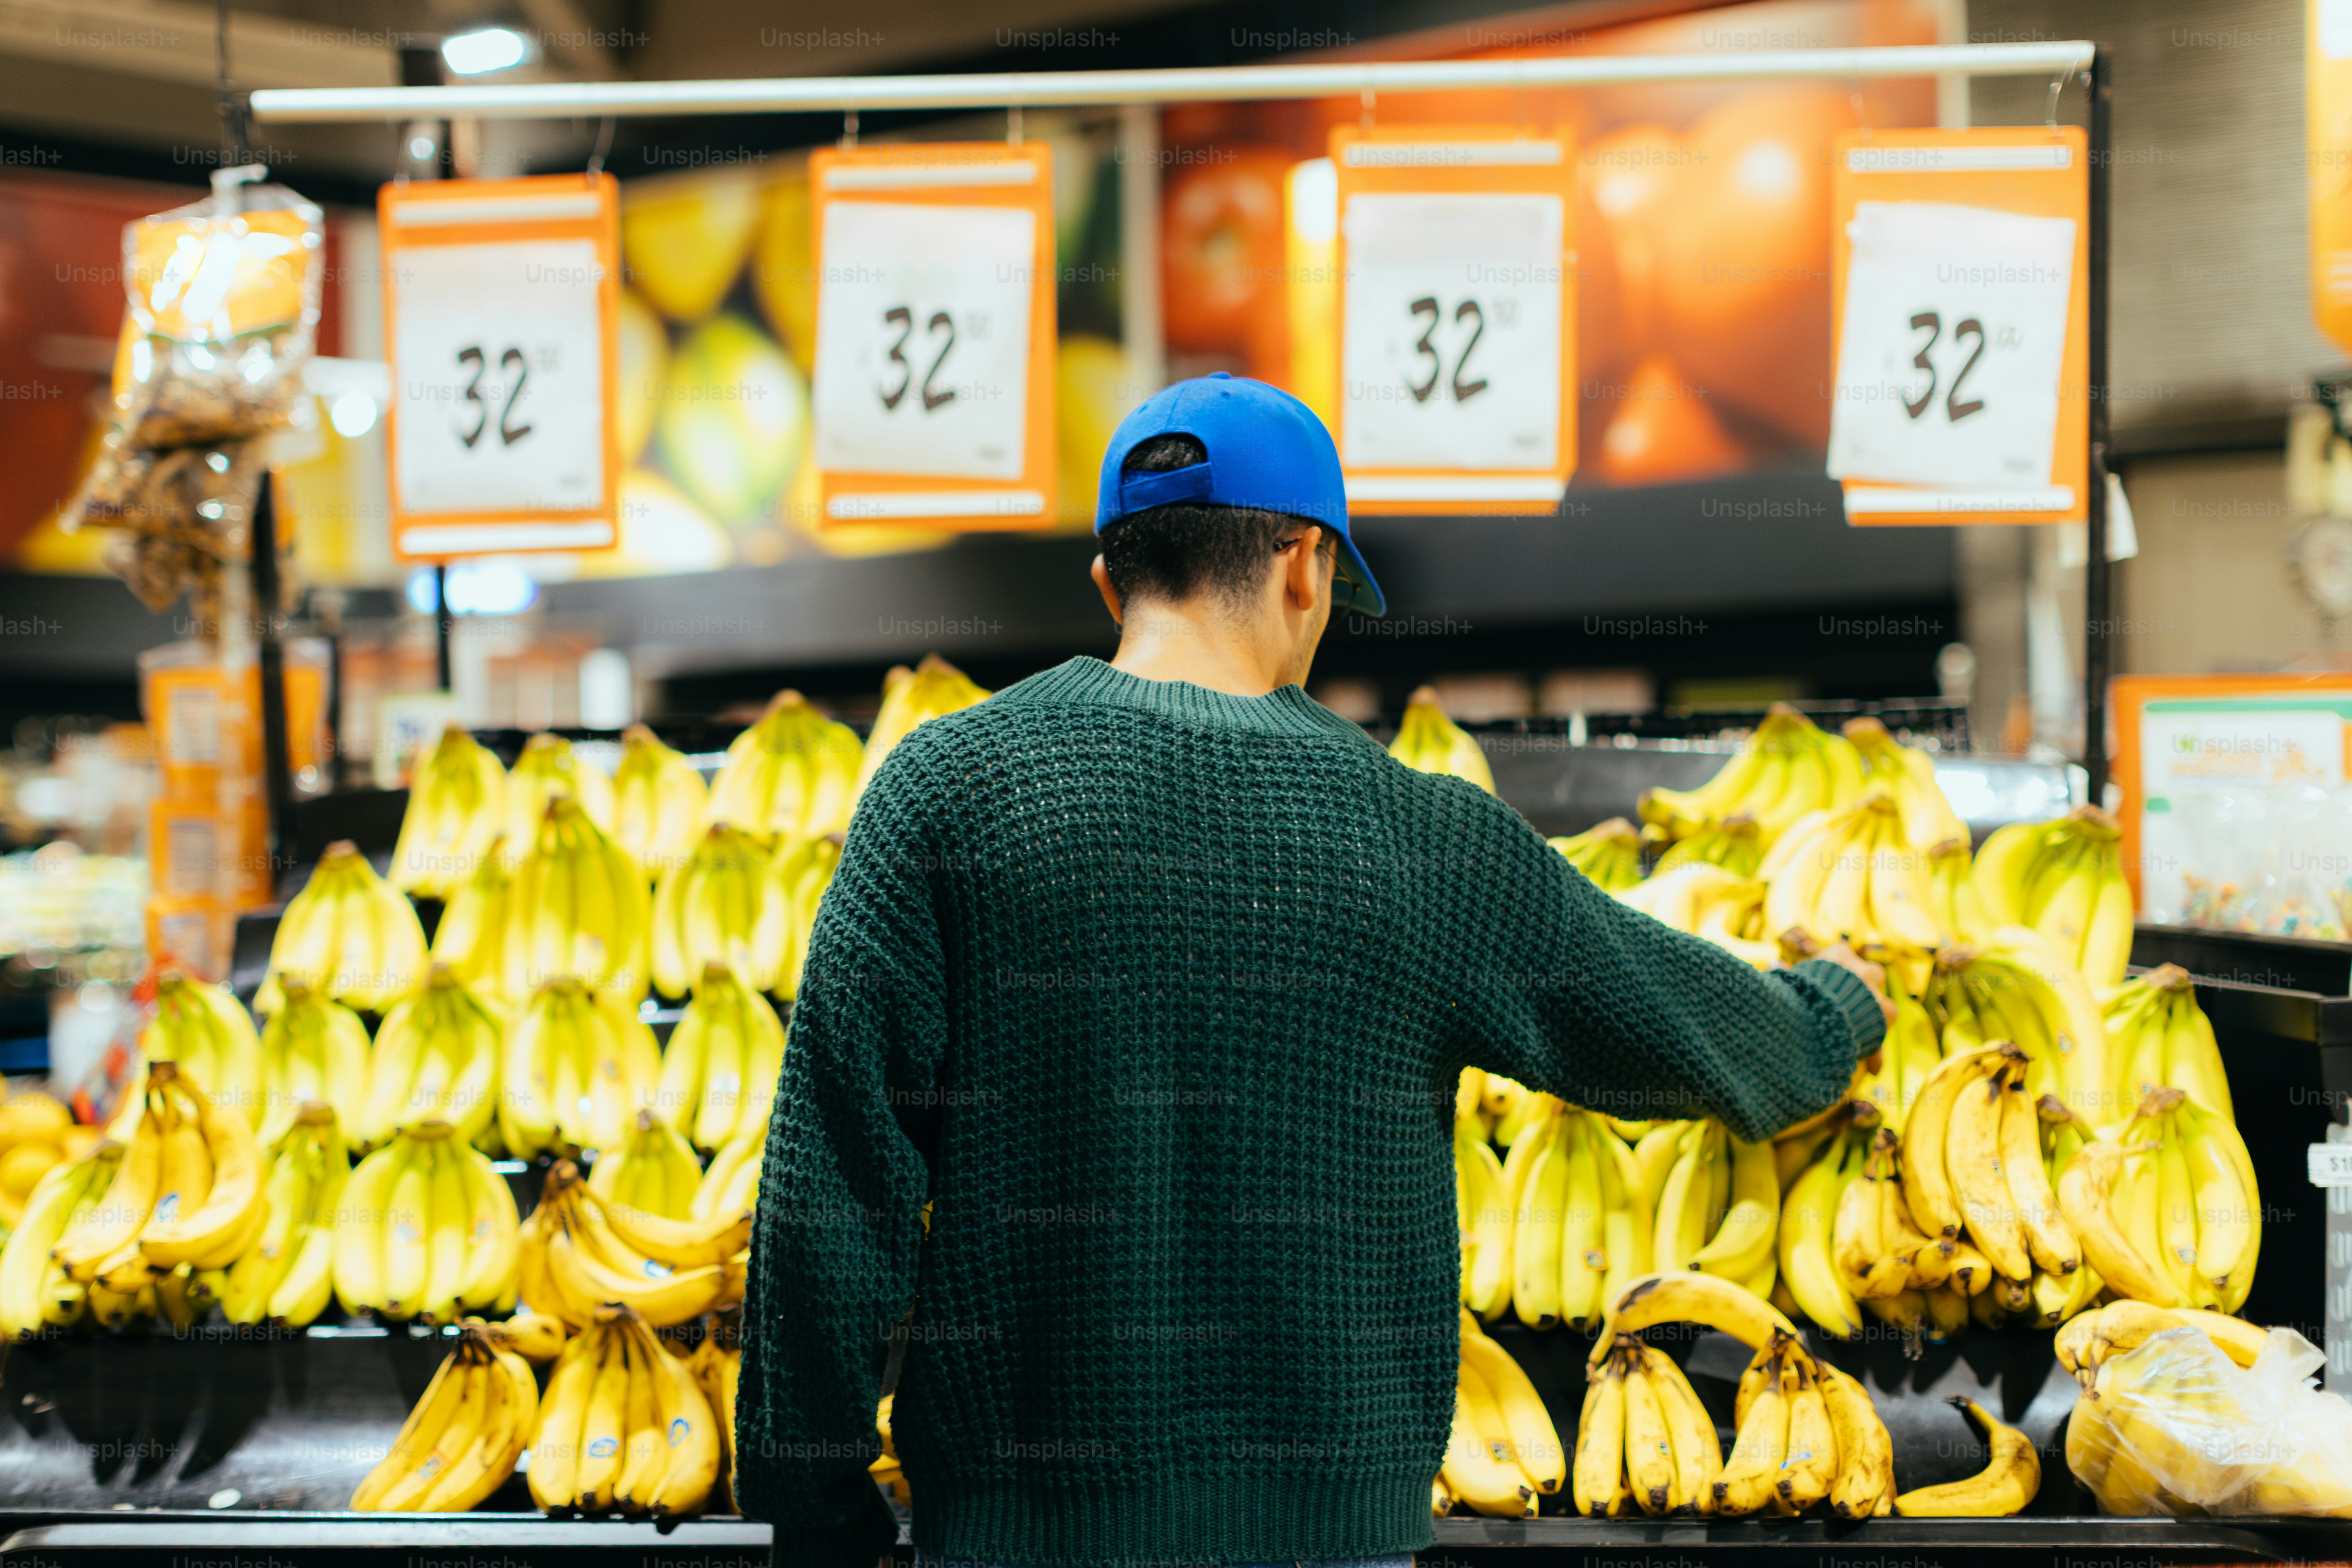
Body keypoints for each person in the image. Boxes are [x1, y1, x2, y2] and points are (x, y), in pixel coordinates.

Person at [737, 373, 1889, 1568]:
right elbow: (1675, 1024)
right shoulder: (1427, 835)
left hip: (1014, 1540)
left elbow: (829, 1182)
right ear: (1304, 565)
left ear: (1107, 581)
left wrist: (816, 1509)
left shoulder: (942, 789)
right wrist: (1835, 1008)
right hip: (1333, 1542)